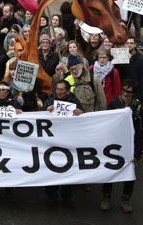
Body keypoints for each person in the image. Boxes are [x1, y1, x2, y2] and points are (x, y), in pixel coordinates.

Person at [100, 80, 143, 213]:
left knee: (129, 173)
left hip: (129, 146)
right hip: (113, 145)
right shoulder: (113, 104)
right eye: (124, 91)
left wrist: (137, 153)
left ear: (133, 94)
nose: (126, 94)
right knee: (109, 171)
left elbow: (141, 132)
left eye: (129, 92)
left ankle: (125, 199)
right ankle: (106, 197)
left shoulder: (137, 106)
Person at [43, 79, 84, 207]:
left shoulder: (75, 102)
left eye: (61, 90)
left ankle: (67, 197)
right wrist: (46, 109)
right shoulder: (50, 101)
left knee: (68, 170)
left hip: (69, 142)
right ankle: (51, 196)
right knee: (51, 170)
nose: (59, 92)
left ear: (67, 91)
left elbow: (85, 116)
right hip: (53, 142)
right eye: (57, 89)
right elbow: (40, 117)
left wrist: (80, 113)